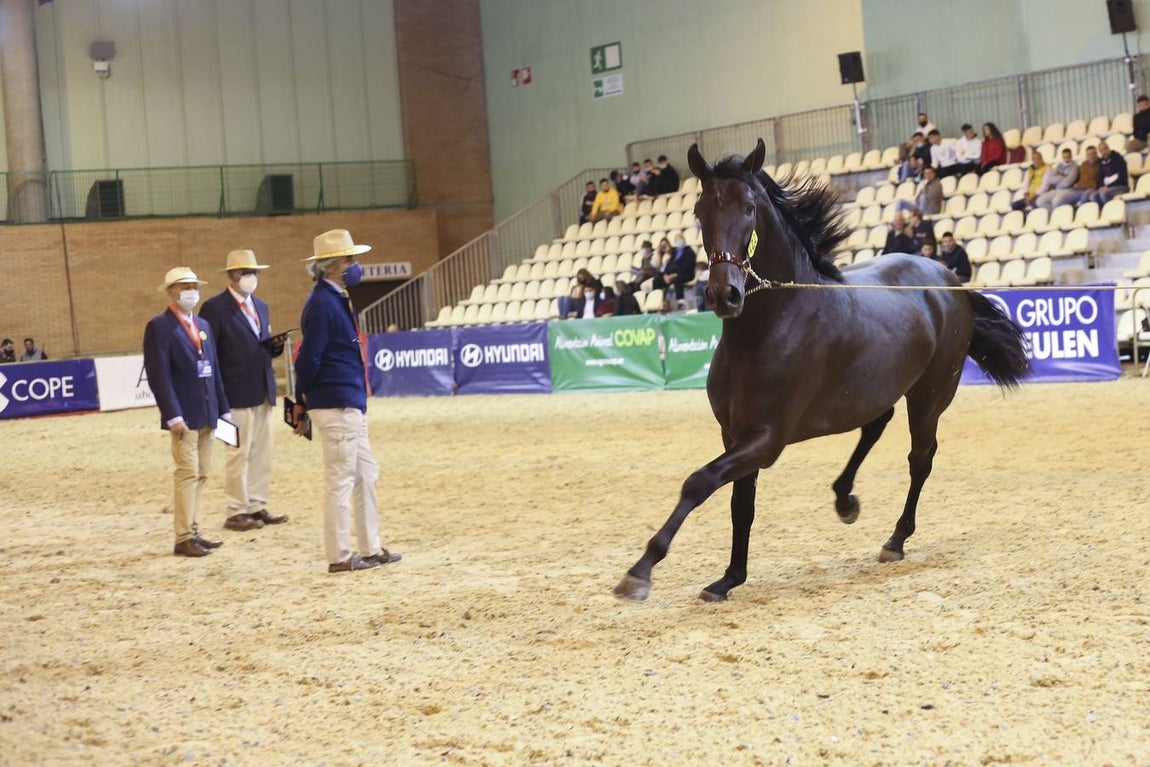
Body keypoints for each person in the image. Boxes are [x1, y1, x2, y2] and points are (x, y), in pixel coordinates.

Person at [294, 229, 401, 573]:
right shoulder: (322, 304)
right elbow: (308, 358)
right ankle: (339, 555)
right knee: (341, 479)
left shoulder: (334, 299)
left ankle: (370, 546)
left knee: (365, 473)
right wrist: (301, 398)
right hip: (337, 402)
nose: (356, 265)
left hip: (349, 401)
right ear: (331, 266)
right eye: (350, 259)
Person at [198, 249, 288, 534]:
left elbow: (260, 344)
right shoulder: (214, 308)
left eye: (255, 272)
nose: (252, 277)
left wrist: (275, 347)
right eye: (245, 273)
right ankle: (236, 510)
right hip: (232, 395)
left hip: (262, 390)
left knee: (262, 451)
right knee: (237, 452)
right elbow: (209, 354)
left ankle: (256, 504)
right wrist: (215, 396)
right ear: (231, 276)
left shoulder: (261, 306)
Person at [143, 267, 231, 558]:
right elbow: (159, 375)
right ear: (171, 291)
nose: (191, 291)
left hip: (208, 411)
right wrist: (172, 414)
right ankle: (182, 536)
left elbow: (215, 370)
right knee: (187, 473)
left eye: (193, 285)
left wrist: (224, 408)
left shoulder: (203, 324)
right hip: (184, 415)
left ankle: (193, 530)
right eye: (184, 286)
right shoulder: (159, 327)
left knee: (202, 473)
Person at [652, 234, 697, 299]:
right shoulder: (674, 252)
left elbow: (687, 266)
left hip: (685, 274)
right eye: (677, 240)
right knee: (657, 280)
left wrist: (675, 275)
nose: (679, 241)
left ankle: (680, 302)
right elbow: (669, 264)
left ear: (684, 240)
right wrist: (665, 275)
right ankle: (660, 301)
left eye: (680, 239)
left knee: (678, 280)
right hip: (671, 275)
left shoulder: (689, 251)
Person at [1086, 140, 1129, 204]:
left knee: (1103, 194)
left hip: (1121, 186)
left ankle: (1110, 211)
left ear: (1108, 148)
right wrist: (1101, 186)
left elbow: (1123, 178)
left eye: (1105, 149)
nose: (1104, 152)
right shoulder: (1101, 162)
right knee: (1093, 196)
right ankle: (1102, 211)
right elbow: (1100, 178)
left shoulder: (1118, 158)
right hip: (1108, 188)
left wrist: (1108, 186)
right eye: (1101, 151)